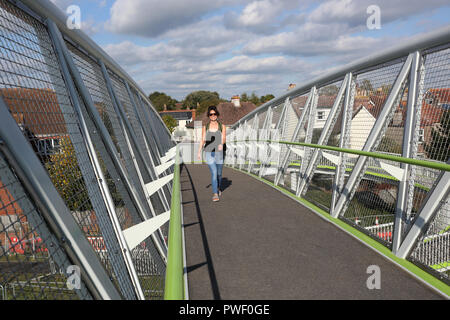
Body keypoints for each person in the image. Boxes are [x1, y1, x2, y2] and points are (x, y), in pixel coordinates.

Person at [197, 105, 226, 202]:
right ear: (208, 116)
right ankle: (215, 194)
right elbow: (202, 139)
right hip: (209, 152)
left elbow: (224, 138)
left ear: (217, 114)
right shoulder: (205, 127)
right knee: (213, 173)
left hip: (219, 153)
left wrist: (221, 144)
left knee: (219, 174)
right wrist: (199, 152)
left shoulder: (222, 126)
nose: (213, 116)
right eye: (211, 114)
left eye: (214, 114)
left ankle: (218, 188)